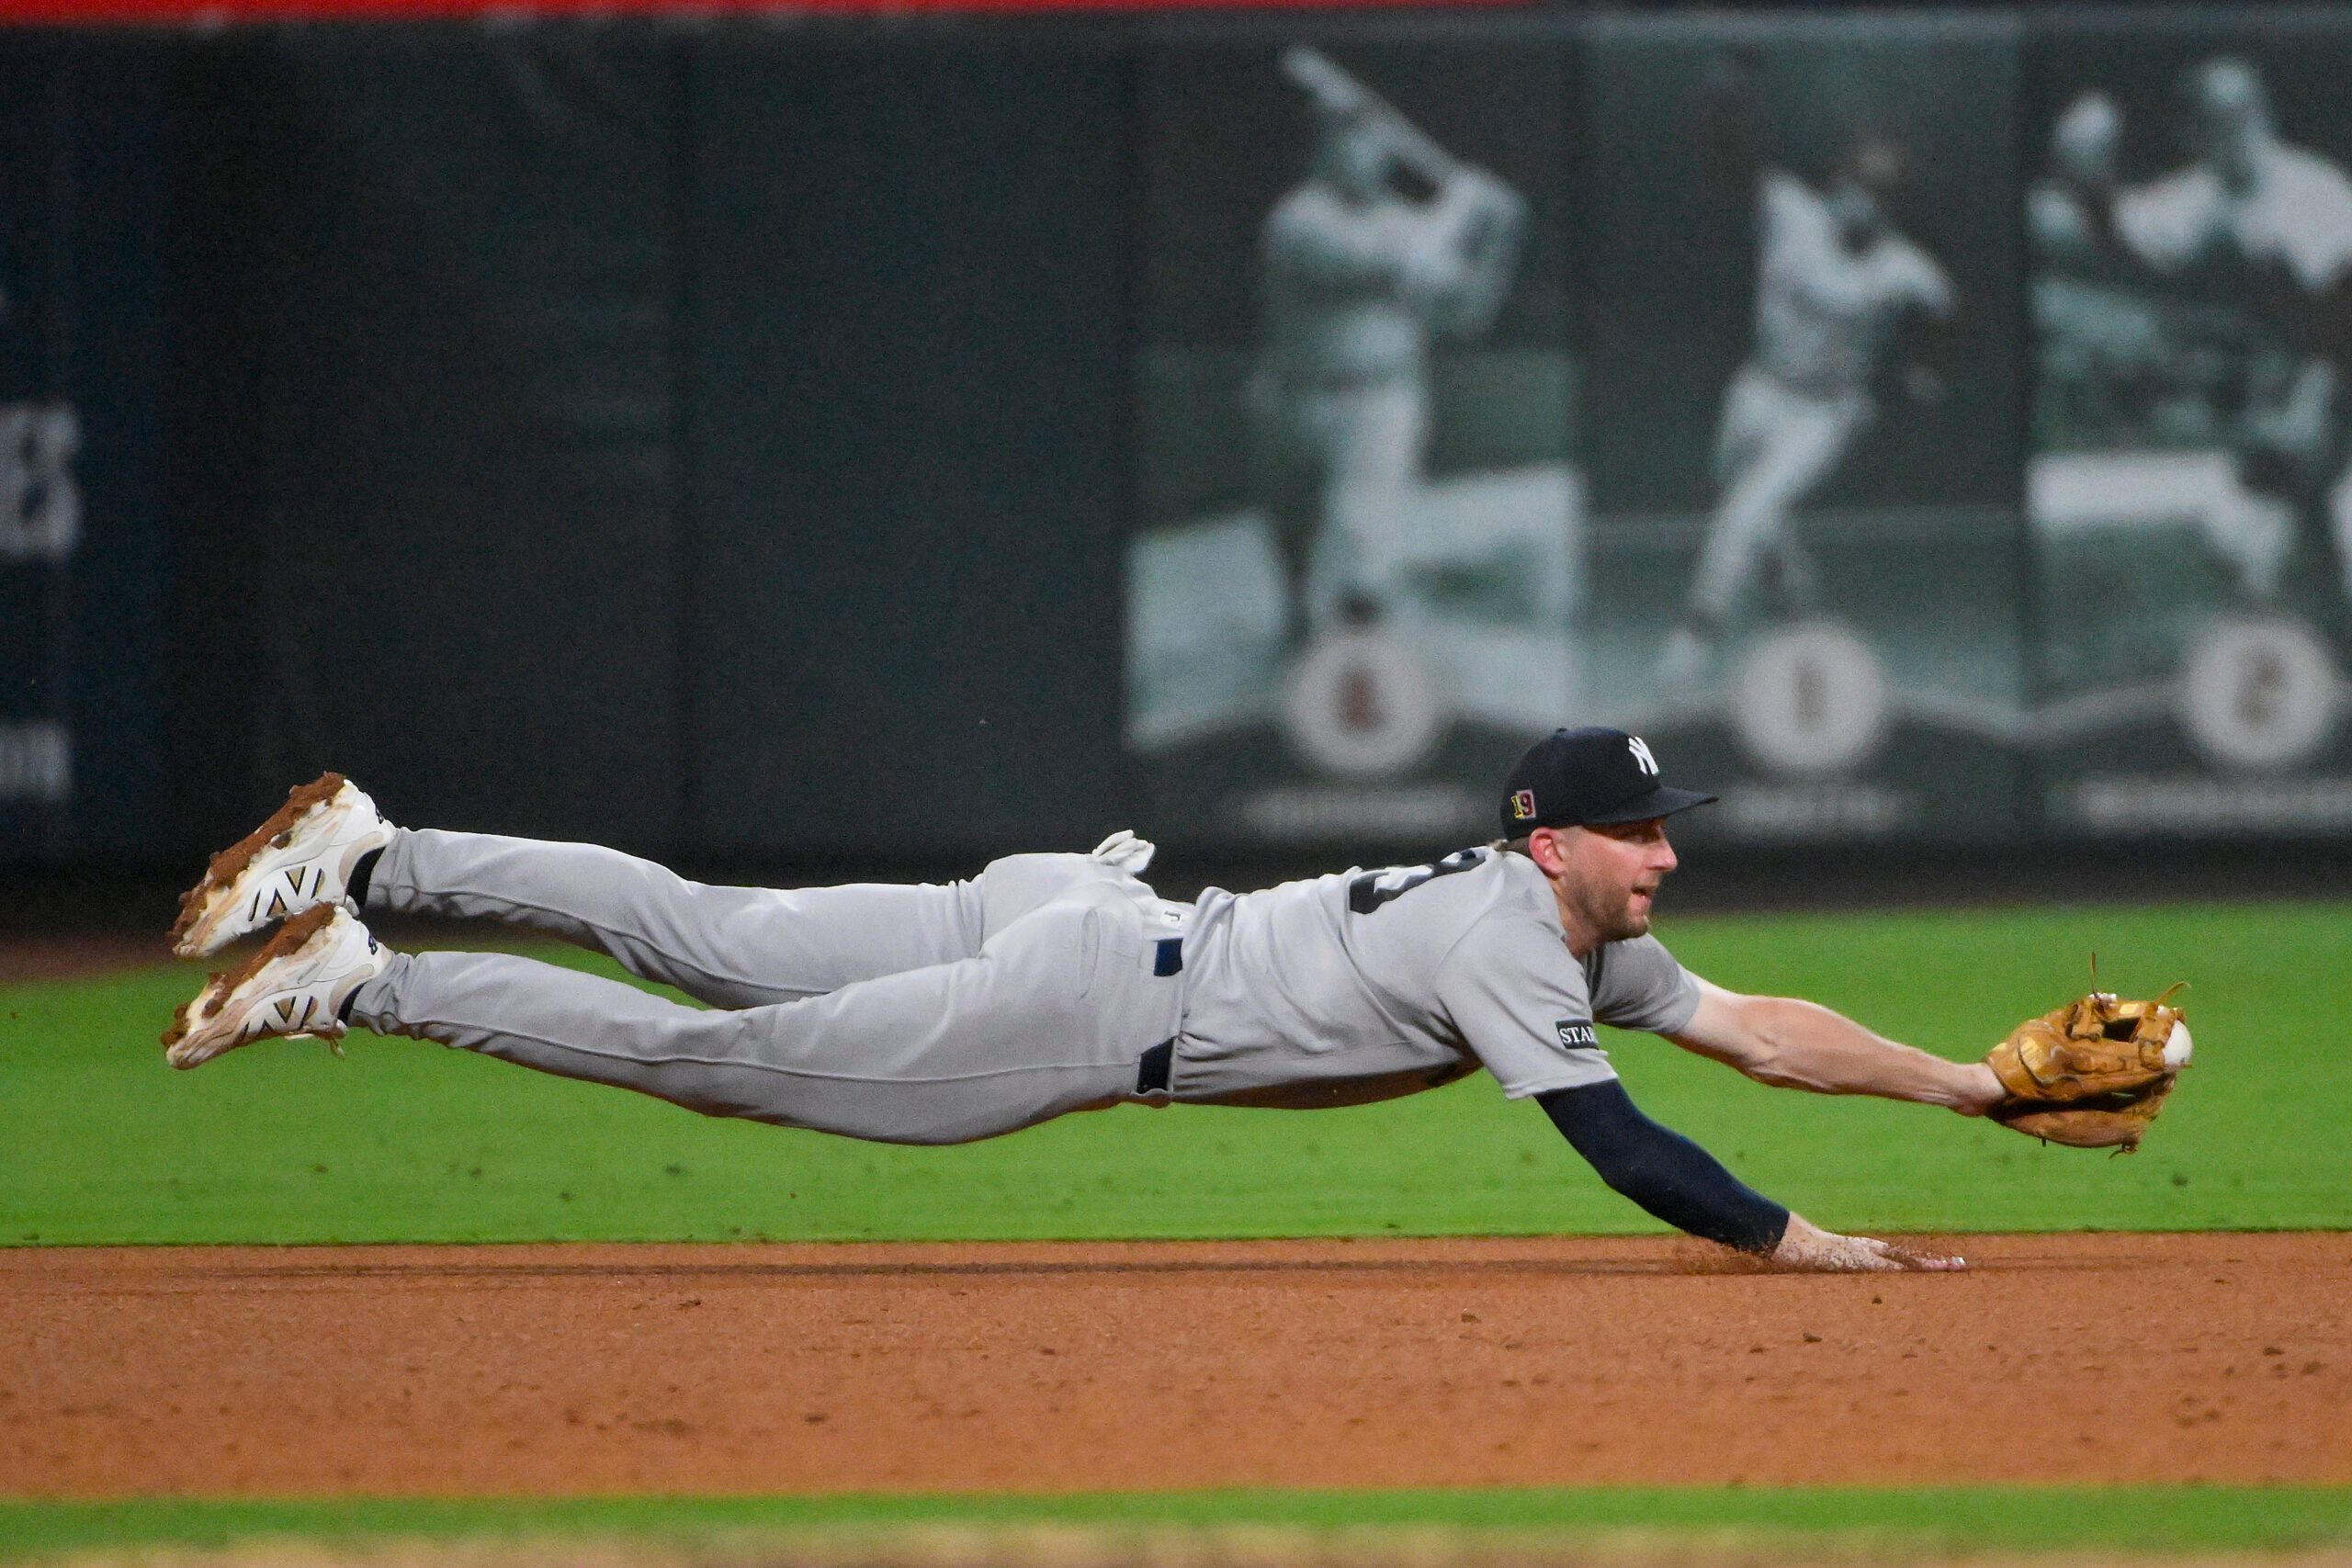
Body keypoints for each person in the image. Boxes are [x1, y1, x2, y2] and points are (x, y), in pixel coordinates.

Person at [164, 728, 2002, 1273]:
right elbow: (1616, 1142)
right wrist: (1798, 1244)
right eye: (1635, 832)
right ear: (1548, 844)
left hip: (1088, 899)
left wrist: (1969, 1092)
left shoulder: (1559, 927)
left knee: (700, 928)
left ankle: (384, 849)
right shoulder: (1509, 940)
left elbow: (1751, 1025)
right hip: (1081, 1002)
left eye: (1661, 829)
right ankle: (367, 974)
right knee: (704, 1050)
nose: (1662, 855)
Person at [1657, 99, 1957, 695]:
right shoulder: (1791, 210)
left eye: (1879, 192)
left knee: (1744, 512)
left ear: (1894, 205)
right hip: (1757, 388)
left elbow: (1945, 312)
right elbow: (1733, 164)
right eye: (1854, 182)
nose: (1861, 199)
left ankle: (1697, 632)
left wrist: (1924, 370)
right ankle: (1797, 603)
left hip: (1822, 412)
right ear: (1835, 180)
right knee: (1752, 511)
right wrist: (1724, 98)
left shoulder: (1902, 266)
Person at [1256, 65, 1523, 638]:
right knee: (1294, 552)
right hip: (1294, 396)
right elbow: (1405, 258)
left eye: (1376, 144)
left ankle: (1360, 641)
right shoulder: (1299, 219)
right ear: (1325, 146)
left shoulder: (1399, 217)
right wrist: (1463, 202)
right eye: (1354, 140)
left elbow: (1465, 312)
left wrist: (1499, 242)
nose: (1370, 157)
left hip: (1381, 400)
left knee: (1365, 543)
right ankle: (1299, 635)